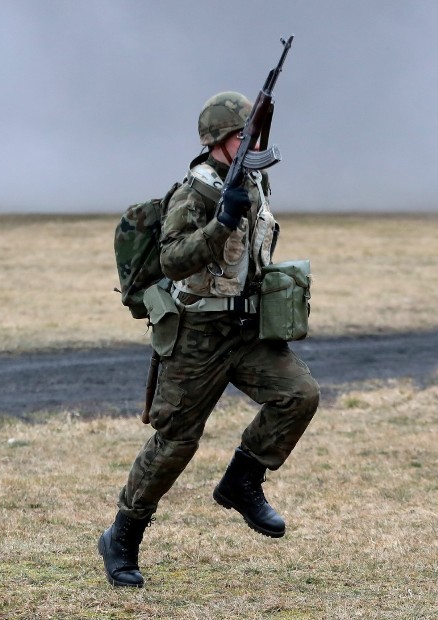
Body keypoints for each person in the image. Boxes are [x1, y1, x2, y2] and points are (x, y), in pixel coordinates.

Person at [98, 91, 320, 588]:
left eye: (253, 134)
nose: (252, 143)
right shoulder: (193, 194)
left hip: (246, 330)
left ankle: (243, 482)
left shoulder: (253, 181)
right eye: (243, 135)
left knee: (298, 395)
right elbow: (174, 258)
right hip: (197, 334)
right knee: (176, 440)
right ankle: (122, 535)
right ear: (219, 143)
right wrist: (220, 223)